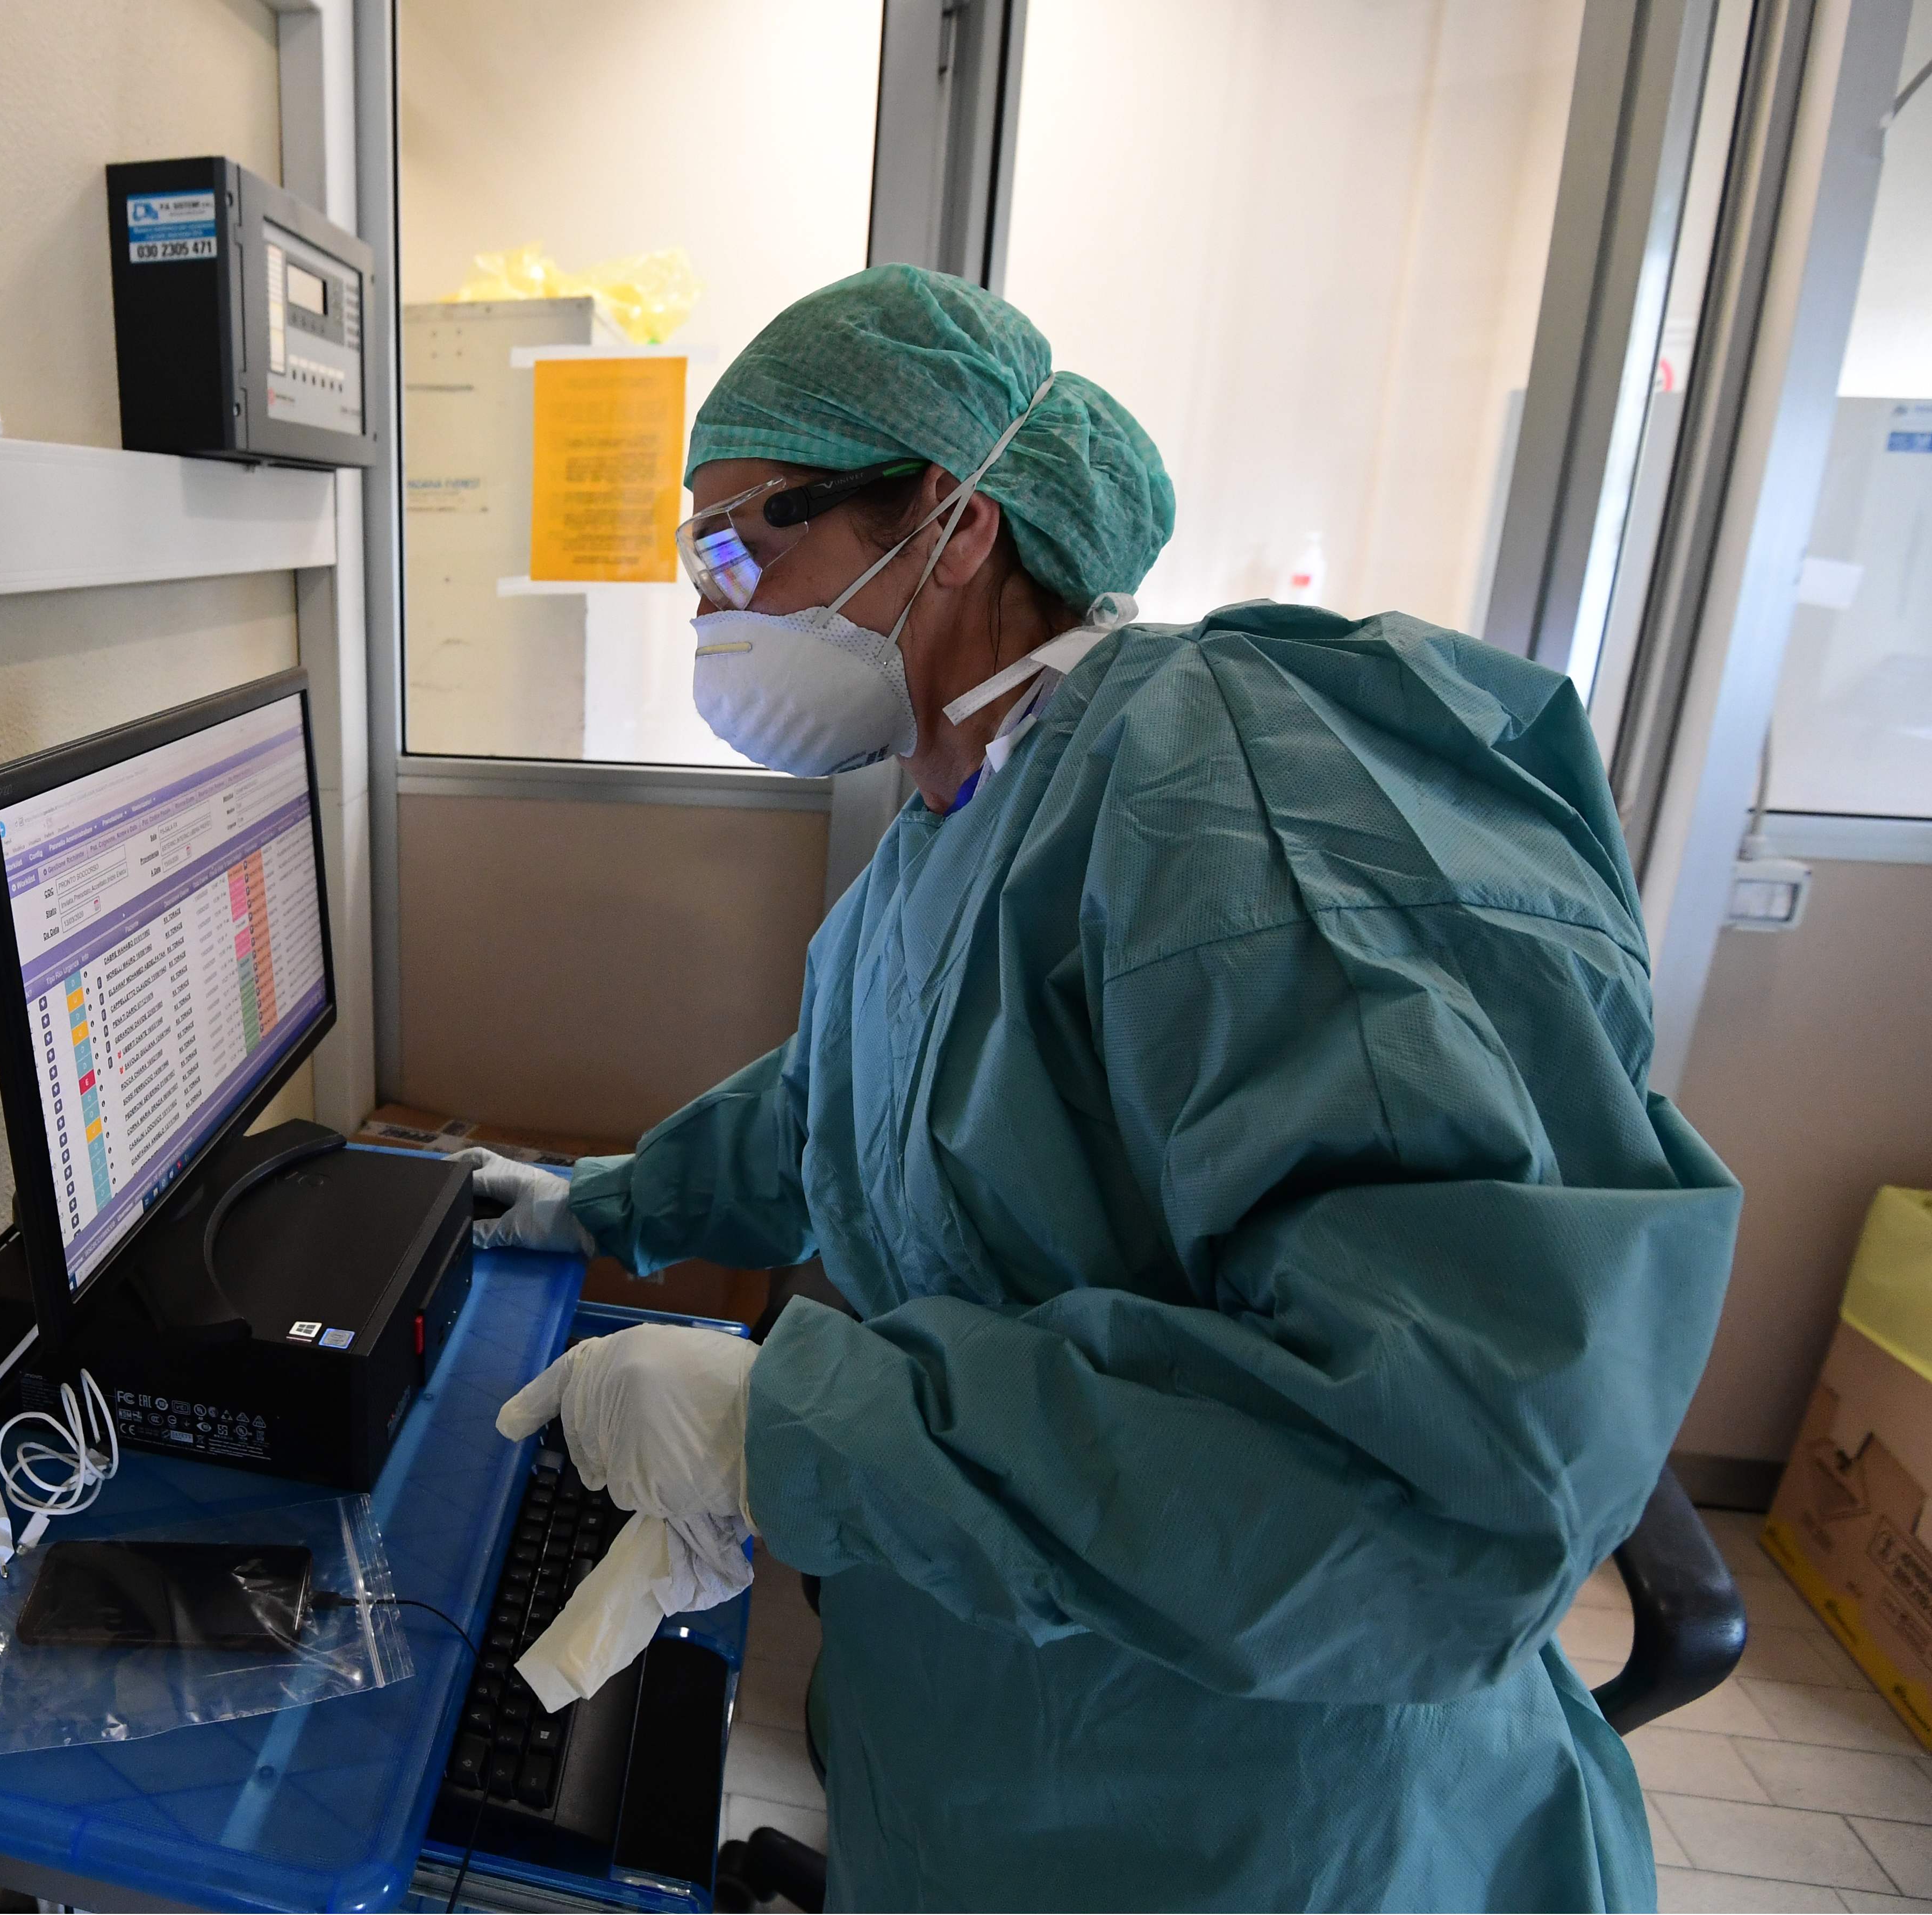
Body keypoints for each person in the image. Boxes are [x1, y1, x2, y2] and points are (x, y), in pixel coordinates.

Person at [463, 265, 1741, 1912]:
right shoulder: (954, 828)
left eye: (740, 549)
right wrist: (600, 1201)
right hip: (998, 1739)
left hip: (1244, 1804)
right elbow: (857, 1098)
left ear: (954, 519)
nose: (713, 611)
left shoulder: (1232, 792)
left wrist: (796, 1430)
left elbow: (1434, 1478)